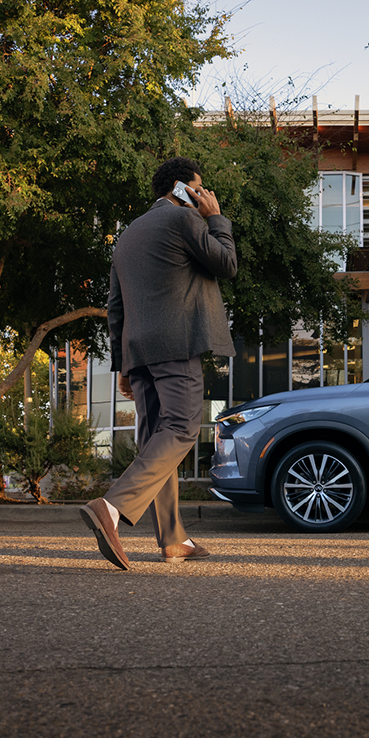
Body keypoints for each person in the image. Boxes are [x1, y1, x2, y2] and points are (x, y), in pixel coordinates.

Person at [80, 157, 237, 570]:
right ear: (183, 189)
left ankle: (173, 539)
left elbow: (115, 306)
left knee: (157, 442)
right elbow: (226, 264)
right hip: (175, 343)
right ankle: (110, 508)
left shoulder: (127, 236)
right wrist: (216, 218)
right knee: (183, 427)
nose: (204, 196)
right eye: (200, 189)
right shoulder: (186, 221)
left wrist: (123, 366)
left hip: (139, 351)